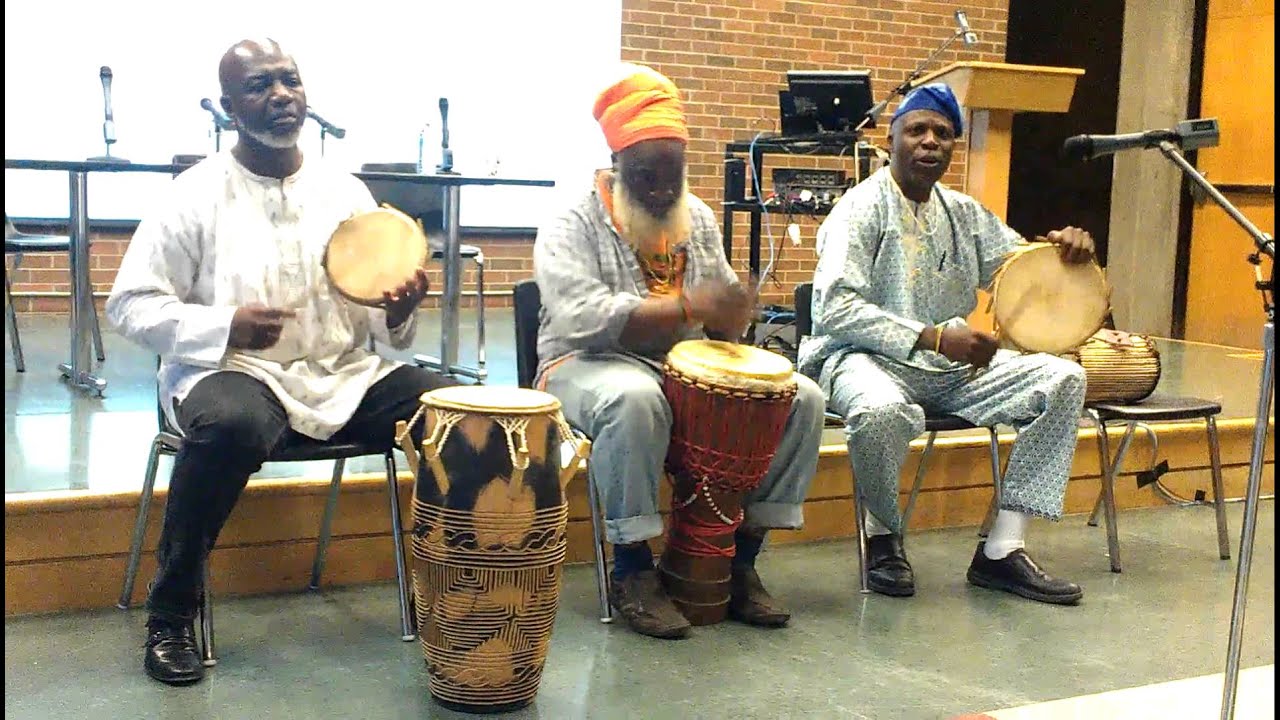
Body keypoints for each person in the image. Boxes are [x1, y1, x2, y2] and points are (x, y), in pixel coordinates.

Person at [107, 38, 452, 685]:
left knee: (454, 414)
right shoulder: (194, 194)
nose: (280, 96)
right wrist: (222, 325)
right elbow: (129, 305)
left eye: (289, 81)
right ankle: (171, 611)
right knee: (229, 424)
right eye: (260, 86)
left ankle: (453, 590)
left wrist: (401, 309)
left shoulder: (345, 190)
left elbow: (379, 322)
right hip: (239, 375)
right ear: (230, 106)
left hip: (343, 378)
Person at [534, 64, 825, 639]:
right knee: (635, 399)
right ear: (617, 165)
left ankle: (741, 561)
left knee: (800, 397)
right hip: (581, 363)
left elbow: (718, 325)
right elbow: (580, 317)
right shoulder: (572, 218)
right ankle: (632, 569)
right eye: (648, 175)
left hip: (677, 366)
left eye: (674, 174)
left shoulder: (697, 218)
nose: (664, 189)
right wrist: (690, 308)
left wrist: (732, 321)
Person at [799, 83, 1094, 605]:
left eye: (942, 133)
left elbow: (1019, 273)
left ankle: (1002, 550)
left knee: (1063, 379)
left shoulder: (963, 213)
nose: (929, 141)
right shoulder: (859, 209)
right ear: (891, 139)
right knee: (882, 411)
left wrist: (1066, 253)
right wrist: (932, 336)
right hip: (859, 358)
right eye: (917, 130)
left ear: (954, 146)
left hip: (951, 367)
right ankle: (881, 535)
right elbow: (834, 309)